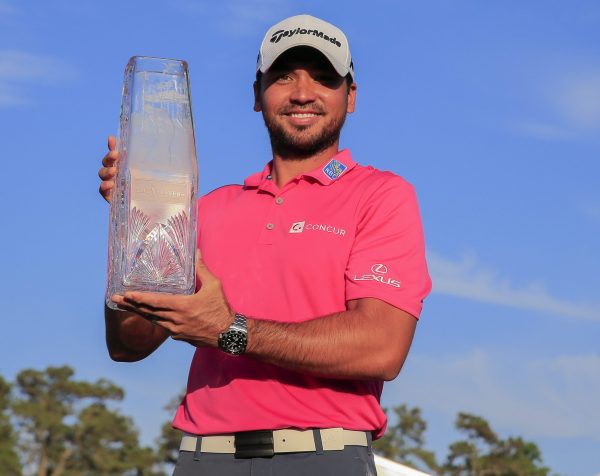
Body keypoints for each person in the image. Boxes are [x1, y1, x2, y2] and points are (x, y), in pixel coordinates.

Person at [98, 14, 431, 476]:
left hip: (324, 457)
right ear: (257, 95)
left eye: (323, 78)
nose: (302, 92)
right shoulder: (209, 208)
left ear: (350, 96)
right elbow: (129, 342)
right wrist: (132, 226)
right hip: (203, 459)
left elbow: (381, 347)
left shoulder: (381, 195)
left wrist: (228, 330)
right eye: (283, 76)